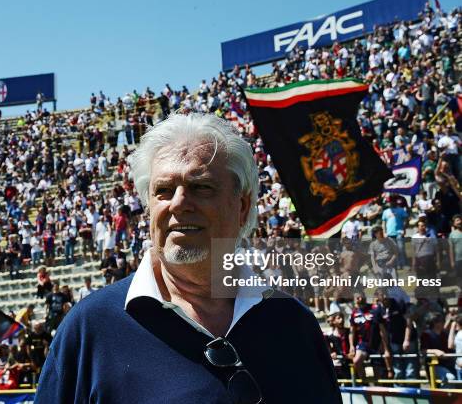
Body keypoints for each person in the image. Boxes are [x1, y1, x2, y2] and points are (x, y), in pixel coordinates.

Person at [35, 113, 340, 403]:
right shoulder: (90, 329)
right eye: (164, 190)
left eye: (201, 187)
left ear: (242, 206)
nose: (179, 203)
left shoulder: (294, 324)